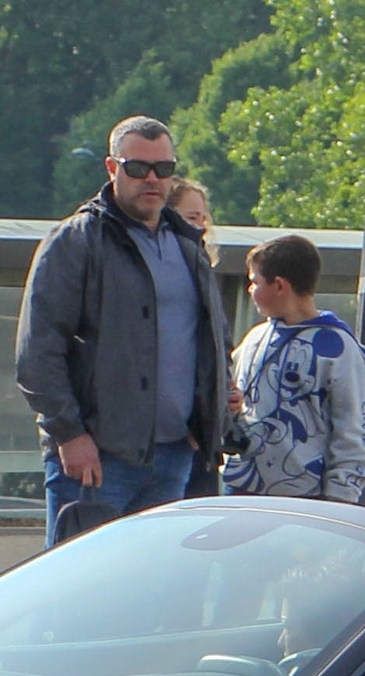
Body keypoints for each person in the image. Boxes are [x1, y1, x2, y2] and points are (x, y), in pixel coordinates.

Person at [14, 116, 231, 543]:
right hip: (97, 456)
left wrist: (211, 414)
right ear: (113, 169)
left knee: (151, 593)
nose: (152, 179)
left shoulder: (188, 246)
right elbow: (37, 352)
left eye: (163, 169)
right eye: (137, 168)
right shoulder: (76, 241)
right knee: (77, 590)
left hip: (173, 455)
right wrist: (70, 434)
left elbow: (213, 338)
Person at [223, 234, 365, 503]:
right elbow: (233, 395)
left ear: (279, 285)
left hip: (306, 497)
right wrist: (230, 407)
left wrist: (341, 498)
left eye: (254, 282)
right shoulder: (255, 338)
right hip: (242, 486)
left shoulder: (338, 348)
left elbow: (350, 429)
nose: (249, 289)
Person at [167, 177, 229, 499]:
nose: (201, 228)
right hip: (175, 431)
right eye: (192, 218)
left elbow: (218, 344)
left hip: (197, 436)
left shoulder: (200, 268)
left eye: (204, 219)